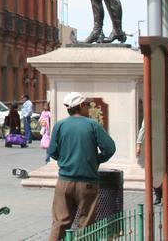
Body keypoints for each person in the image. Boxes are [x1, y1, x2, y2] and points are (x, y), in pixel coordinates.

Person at [47, 92, 116, 241]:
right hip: (88, 183)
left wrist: (65, 159)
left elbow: (52, 151)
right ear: (80, 106)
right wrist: (95, 159)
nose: (88, 107)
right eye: (86, 105)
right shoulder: (92, 125)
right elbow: (110, 148)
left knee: (59, 223)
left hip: (64, 181)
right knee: (86, 224)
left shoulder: (60, 125)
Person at [136, 110, 168, 204]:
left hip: (167, 148)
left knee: (164, 172)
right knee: (153, 172)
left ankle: (165, 196)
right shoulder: (149, 115)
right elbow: (143, 129)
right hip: (153, 148)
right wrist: (138, 144)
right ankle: (158, 195)